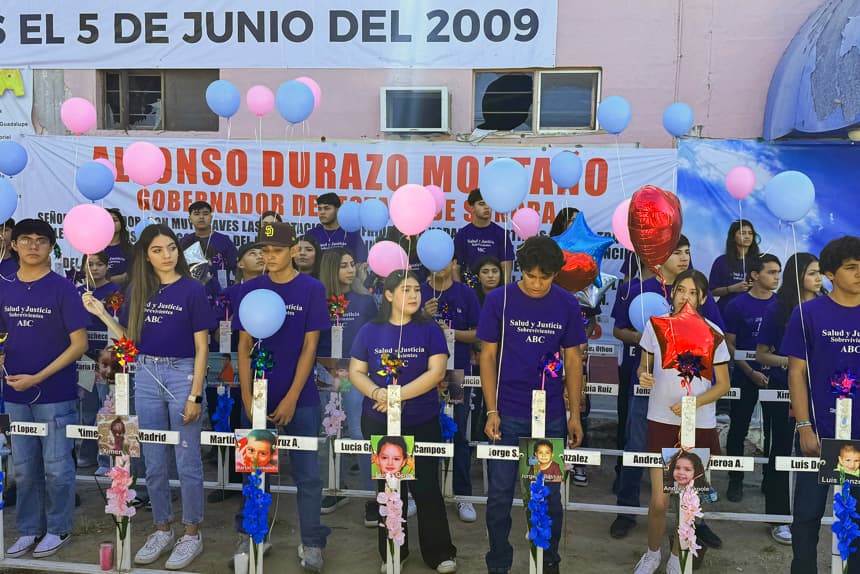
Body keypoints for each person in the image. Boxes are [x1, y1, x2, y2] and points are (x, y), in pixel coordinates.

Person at [83, 223, 214, 570]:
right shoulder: (139, 291)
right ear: (145, 255)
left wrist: (196, 395)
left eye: (171, 248)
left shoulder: (191, 290)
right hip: (145, 373)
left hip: (183, 373)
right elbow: (129, 341)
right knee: (152, 460)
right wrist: (101, 315)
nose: (167, 255)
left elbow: (203, 346)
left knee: (187, 461)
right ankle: (162, 528)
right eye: (158, 250)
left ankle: (191, 533)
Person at [477, 235, 586, 574]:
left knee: (549, 496)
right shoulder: (499, 300)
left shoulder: (567, 304)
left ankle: (547, 559)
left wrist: (574, 415)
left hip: (551, 415)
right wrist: (491, 410)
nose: (538, 284)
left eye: (546, 277)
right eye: (531, 276)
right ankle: (498, 562)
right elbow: (488, 355)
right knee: (498, 496)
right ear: (520, 270)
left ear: (557, 274)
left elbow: (572, 360)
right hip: (507, 411)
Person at [610, 236, 724, 545]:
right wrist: (653, 348)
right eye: (677, 252)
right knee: (638, 447)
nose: (684, 257)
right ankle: (626, 511)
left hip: (693, 402)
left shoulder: (702, 296)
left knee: (692, 464)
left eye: (688, 251)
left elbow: (716, 338)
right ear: (659, 256)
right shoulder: (636, 288)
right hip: (651, 390)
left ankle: (695, 526)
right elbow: (618, 330)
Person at [232, 222, 330, 573]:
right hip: (256, 398)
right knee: (255, 472)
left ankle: (312, 541)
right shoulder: (249, 289)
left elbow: (311, 346)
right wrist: (245, 394)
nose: (268, 256)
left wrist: (291, 397)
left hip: (300, 399)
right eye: (263, 251)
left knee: (308, 475)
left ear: (293, 251)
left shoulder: (311, 289)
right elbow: (243, 347)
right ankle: (253, 533)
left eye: (276, 250)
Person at [349, 270, 458, 574]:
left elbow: (436, 372)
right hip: (379, 422)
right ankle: (394, 551)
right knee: (389, 488)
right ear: (388, 295)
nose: (413, 296)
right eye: (405, 290)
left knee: (426, 488)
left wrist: (394, 396)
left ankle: (439, 553)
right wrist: (376, 392)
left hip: (421, 419)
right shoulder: (370, 330)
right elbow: (356, 370)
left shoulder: (429, 329)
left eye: (416, 290)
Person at [1, 219, 89, 560]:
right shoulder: (4, 286)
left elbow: (79, 344)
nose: (33, 246)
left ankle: (58, 527)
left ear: (51, 247)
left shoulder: (63, 288)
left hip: (55, 393)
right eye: (26, 240)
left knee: (56, 466)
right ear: (14, 245)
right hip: (14, 394)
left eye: (41, 240)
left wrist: (38, 377)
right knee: (23, 466)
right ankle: (28, 530)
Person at [633, 269, 731, 574]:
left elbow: (722, 384)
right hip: (661, 418)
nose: (685, 297)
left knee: (688, 499)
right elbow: (643, 367)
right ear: (671, 294)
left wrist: (693, 403)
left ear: (702, 298)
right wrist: (643, 375)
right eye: (680, 290)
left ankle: (678, 557)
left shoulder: (714, 331)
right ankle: (652, 555)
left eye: (692, 292)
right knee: (660, 500)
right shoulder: (656, 326)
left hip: (698, 422)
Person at [782, 236, 860, 574]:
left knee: (855, 521)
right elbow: (797, 373)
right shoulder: (808, 312)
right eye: (851, 268)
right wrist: (804, 426)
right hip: (820, 432)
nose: (859, 273)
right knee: (807, 517)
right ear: (830, 273)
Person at [756, 253, 823, 545]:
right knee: (781, 451)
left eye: (820, 272)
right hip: (782, 390)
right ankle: (779, 517)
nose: (818, 278)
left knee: (812, 454)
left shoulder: (827, 308)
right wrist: (791, 363)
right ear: (798, 277)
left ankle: (808, 516)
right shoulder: (779, 309)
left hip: (819, 395)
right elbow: (761, 354)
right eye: (811, 273)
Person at [317, 247, 379, 516]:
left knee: (358, 431)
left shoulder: (365, 301)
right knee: (330, 431)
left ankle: (371, 496)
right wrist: (328, 367)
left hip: (357, 375)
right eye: (344, 265)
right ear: (332, 269)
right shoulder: (319, 298)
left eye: (352, 264)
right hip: (326, 372)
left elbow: (374, 340)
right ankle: (334, 488)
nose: (351, 270)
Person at [420, 255, 481, 522]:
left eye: (446, 259)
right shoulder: (417, 290)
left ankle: (462, 494)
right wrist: (423, 316)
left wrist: (451, 334)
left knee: (457, 433)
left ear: (455, 262)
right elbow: (401, 329)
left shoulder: (465, 294)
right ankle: (416, 493)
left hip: (455, 374)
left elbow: (479, 334)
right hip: (420, 375)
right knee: (422, 432)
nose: (440, 264)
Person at [725, 254, 781, 503]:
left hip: (776, 379)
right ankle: (735, 480)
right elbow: (729, 344)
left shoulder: (782, 305)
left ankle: (771, 481)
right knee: (738, 427)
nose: (776, 277)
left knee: (774, 431)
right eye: (771, 272)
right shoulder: (737, 305)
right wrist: (750, 371)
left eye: (778, 272)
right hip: (744, 376)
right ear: (755, 275)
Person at [77, 251, 123, 470]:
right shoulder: (77, 292)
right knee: (88, 409)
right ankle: (85, 454)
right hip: (84, 359)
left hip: (108, 359)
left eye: (99, 264)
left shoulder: (115, 292)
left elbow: (119, 325)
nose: (94, 268)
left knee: (108, 408)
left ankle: (106, 461)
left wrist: (108, 356)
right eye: (90, 264)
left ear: (107, 267)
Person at [454, 189, 514, 284]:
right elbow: (456, 268)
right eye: (482, 204)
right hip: (469, 287)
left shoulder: (501, 234)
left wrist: (503, 292)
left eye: (489, 204)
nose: (486, 207)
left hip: (494, 288)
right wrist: (461, 292)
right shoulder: (462, 235)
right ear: (471, 207)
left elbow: (506, 267)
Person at [179, 201, 238, 288]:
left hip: (220, 292)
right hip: (191, 291)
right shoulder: (184, 242)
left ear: (211, 217)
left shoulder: (224, 240)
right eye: (196, 214)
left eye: (205, 214)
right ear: (190, 219)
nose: (201, 217)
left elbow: (236, 268)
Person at [709, 219, 761, 314]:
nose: (747, 237)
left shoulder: (759, 261)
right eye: (742, 233)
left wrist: (755, 286)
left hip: (752, 311)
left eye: (750, 233)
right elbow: (712, 291)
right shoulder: (721, 261)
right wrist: (732, 289)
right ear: (733, 237)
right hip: (726, 310)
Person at [306, 192, 367, 262]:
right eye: (319, 209)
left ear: (338, 210)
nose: (322, 212)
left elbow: (361, 262)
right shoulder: (311, 234)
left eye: (327, 208)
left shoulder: (351, 233)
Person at [106, 208, 133, 286]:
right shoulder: (96, 249)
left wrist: (103, 281)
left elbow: (129, 276)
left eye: (115, 220)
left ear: (121, 224)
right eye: (108, 221)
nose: (112, 223)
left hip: (124, 294)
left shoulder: (130, 249)